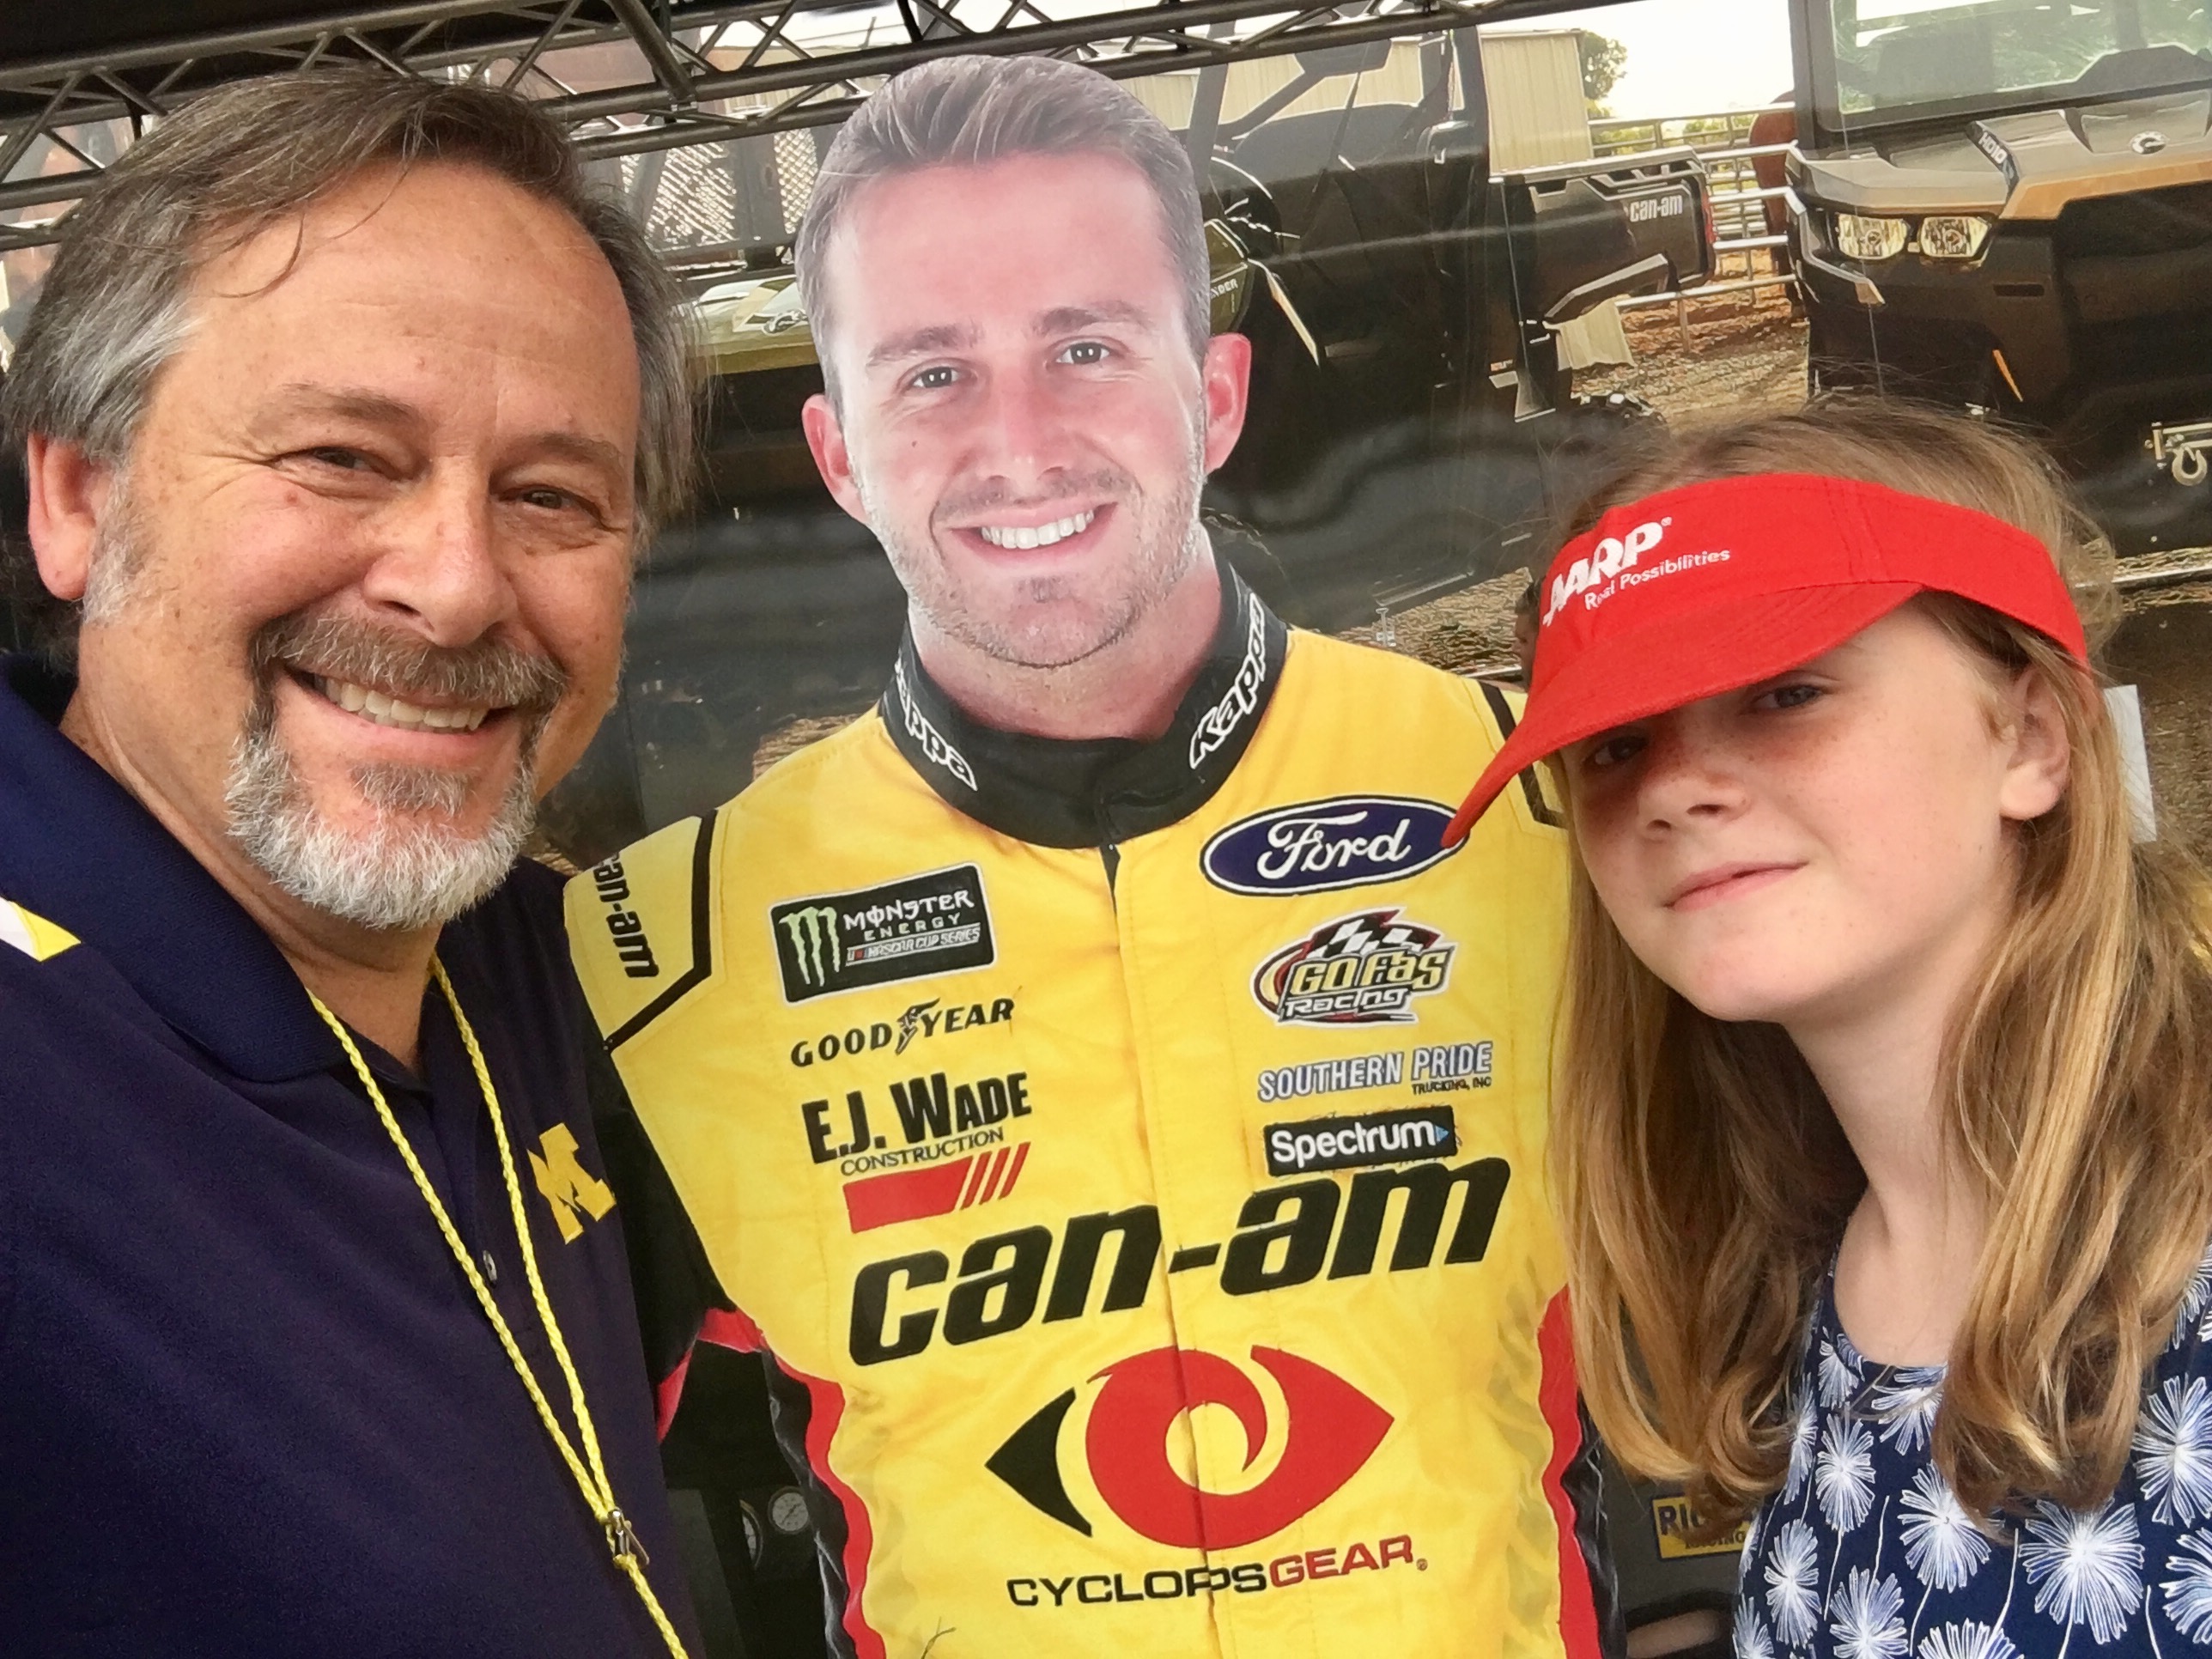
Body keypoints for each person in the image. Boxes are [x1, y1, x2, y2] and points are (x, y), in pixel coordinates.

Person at [564, 51, 1616, 1659]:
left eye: (1087, 345)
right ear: (839, 453)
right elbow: (513, 1512)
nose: (1022, 440)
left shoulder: (1549, 805)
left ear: (1217, 392)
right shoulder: (661, 955)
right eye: (930, 373)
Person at [0, 70, 705, 1656]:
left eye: (551, 495)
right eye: (340, 457)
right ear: (76, 498)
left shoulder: (574, 964)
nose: (457, 590)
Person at [1443, 401, 2212, 1658]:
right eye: (1616, 741)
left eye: (1787, 692)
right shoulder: (1801, 1290)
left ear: (2030, 735)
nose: (1679, 788)